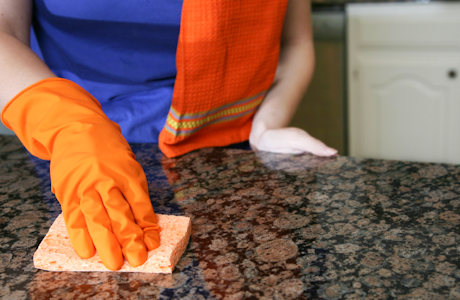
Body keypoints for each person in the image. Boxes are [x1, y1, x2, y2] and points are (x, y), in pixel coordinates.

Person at [0, 0, 337, 271]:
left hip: (224, 144)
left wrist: (267, 126)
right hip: (75, 152)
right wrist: (66, 123)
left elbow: (296, 42)